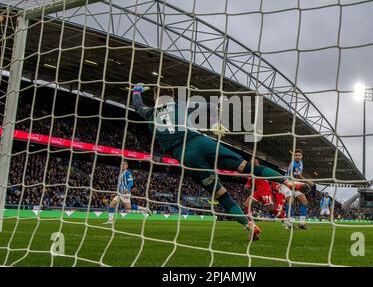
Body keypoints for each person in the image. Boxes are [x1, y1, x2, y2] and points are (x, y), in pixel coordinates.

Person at [130, 84, 308, 240]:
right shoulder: (180, 105)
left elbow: (137, 104)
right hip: (201, 142)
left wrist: (136, 90)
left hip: (186, 157)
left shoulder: (150, 113)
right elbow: (210, 105)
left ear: (155, 97)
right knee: (246, 167)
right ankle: (286, 180)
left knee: (222, 195)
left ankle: (249, 225)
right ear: (173, 96)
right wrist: (215, 123)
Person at [285, 149, 314, 229]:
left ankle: (301, 224)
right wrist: (308, 182)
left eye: (299, 155)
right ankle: (287, 223)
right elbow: (299, 176)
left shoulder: (301, 162)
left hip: (295, 183)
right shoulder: (294, 164)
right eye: (296, 155)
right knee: (291, 201)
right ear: (293, 156)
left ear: (301, 156)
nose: (297, 157)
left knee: (304, 202)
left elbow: (298, 176)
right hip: (287, 183)